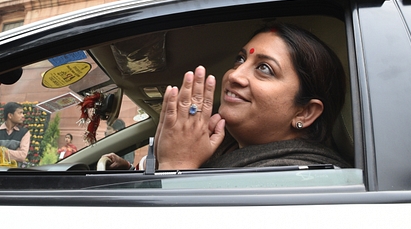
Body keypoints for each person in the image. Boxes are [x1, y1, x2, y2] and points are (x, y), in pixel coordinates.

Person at [105, 23, 348, 171]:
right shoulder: (228, 146)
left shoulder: (300, 178)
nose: (234, 75)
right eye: (240, 59)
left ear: (305, 112)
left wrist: (176, 165)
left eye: (265, 68)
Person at [0, 102, 30, 166]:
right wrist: (15, 154)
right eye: (20, 113)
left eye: (22, 113)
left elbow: (22, 156)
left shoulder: (24, 133)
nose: (23, 116)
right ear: (10, 115)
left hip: (12, 173)